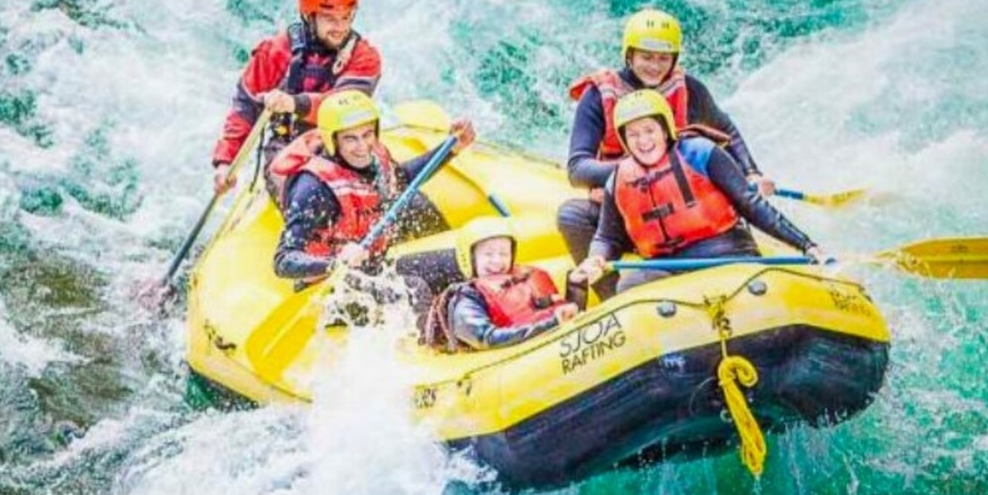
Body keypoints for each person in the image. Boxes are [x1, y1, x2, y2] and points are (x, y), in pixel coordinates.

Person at [557, 8, 773, 263]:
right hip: (632, 213)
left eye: (663, 58)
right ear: (629, 55)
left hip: (689, 212)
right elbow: (577, 169)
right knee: (572, 216)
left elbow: (728, 133)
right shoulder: (598, 95)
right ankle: (613, 293)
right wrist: (640, 170)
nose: (655, 67)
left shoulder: (688, 89)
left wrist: (752, 173)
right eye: (646, 57)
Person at [569, 91, 821, 299]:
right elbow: (607, 237)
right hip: (666, 267)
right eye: (633, 134)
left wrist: (806, 245)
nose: (643, 141)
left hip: (725, 254)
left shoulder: (700, 153)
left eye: (649, 130)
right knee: (629, 287)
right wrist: (596, 259)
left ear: (665, 130)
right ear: (624, 140)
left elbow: (752, 205)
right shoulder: (618, 179)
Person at [211, 0, 383, 197]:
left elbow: (340, 106)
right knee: (305, 198)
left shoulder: (364, 56)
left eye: (346, 17)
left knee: (386, 185)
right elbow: (245, 108)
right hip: (287, 147)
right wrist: (225, 162)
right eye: (330, 19)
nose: (341, 27)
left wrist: (294, 103)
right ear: (308, 16)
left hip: (347, 142)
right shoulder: (274, 52)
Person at [272, 90, 474, 283]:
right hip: (335, 280)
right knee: (415, 286)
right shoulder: (314, 188)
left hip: (372, 259)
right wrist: (334, 264)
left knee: (456, 260)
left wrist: (451, 149)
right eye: (350, 138)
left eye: (367, 134)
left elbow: (400, 179)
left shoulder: (373, 155)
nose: (362, 146)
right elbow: (284, 259)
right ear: (332, 141)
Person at [422, 216, 581, 351]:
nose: (497, 261)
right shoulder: (467, 300)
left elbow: (566, 313)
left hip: (546, 343)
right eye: (488, 254)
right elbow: (487, 339)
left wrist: (577, 285)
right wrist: (552, 324)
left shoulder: (523, 281)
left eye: (503, 253)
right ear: (469, 258)